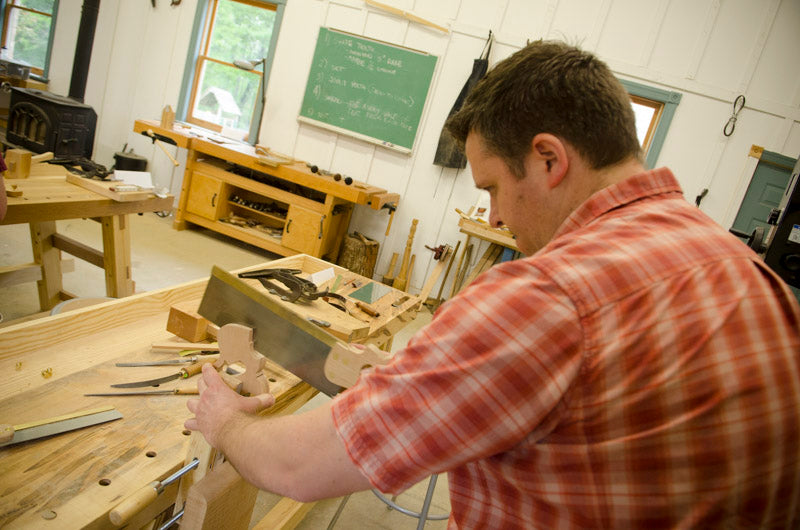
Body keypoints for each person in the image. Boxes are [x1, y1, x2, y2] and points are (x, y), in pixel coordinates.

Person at [186, 40, 800, 528]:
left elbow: (299, 467)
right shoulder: (753, 275)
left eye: (491, 189)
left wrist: (226, 423)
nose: (497, 218)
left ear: (548, 159)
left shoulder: (545, 298)